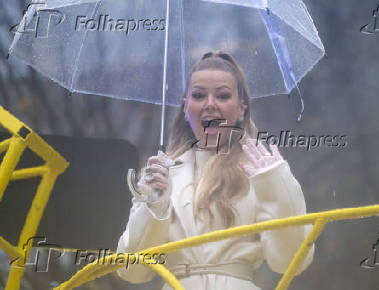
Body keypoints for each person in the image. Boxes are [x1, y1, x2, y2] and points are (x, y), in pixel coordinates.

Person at [116, 51, 314, 289]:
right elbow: (132, 271)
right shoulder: (161, 174)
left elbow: (291, 261)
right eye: (198, 95)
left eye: (222, 95)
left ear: (241, 109)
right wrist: (156, 204)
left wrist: (276, 186)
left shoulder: (261, 171)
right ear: (185, 106)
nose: (210, 104)